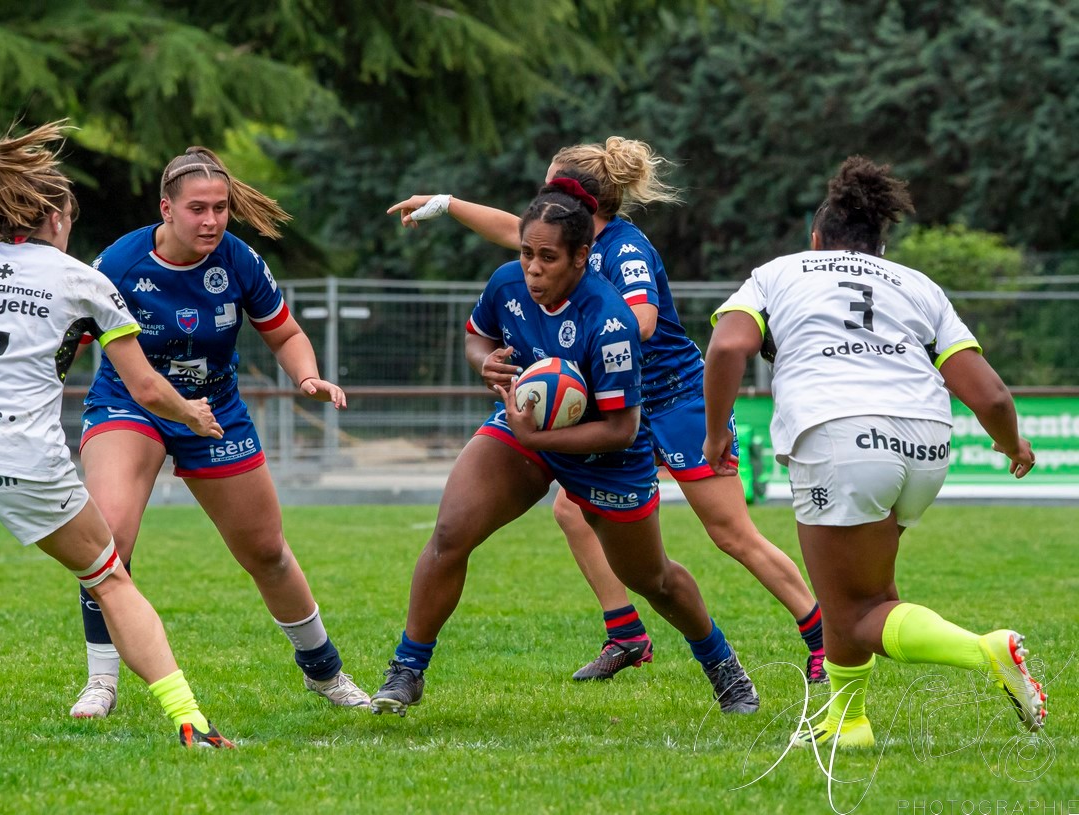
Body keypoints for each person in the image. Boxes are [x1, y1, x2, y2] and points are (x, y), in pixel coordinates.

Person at [387, 137, 826, 684]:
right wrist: (447, 204)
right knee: (570, 512)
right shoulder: (561, 243)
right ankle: (626, 633)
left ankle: (820, 637)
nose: (543, 197)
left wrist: (592, 339)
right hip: (609, 396)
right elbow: (512, 231)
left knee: (730, 532)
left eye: (553, 185)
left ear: (584, 202)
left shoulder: (624, 249)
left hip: (673, 397)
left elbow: (639, 319)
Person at [0, 121, 233, 748]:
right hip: (25, 457)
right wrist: (192, 416)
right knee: (110, 579)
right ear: (54, 215)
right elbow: (145, 390)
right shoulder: (79, 278)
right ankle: (190, 720)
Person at [702, 155, 1047, 749]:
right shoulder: (918, 285)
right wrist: (1010, 442)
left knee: (856, 610)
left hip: (840, 436)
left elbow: (729, 348)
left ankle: (984, 652)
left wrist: (715, 434)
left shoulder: (779, 272)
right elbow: (988, 392)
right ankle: (849, 721)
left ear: (816, 239)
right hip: (926, 441)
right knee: (859, 595)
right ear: (880, 246)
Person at [68, 145, 370, 718]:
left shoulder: (239, 260)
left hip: (215, 410)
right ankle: (100, 682)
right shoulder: (119, 265)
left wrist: (308, 377)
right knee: (110, 541)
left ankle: (325, 672)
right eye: (197, 209)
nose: (211, 221)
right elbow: (70, 341)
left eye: (220, 208)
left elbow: (284, 335)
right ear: (167, 209)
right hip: (130, 403)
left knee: (266, 551)